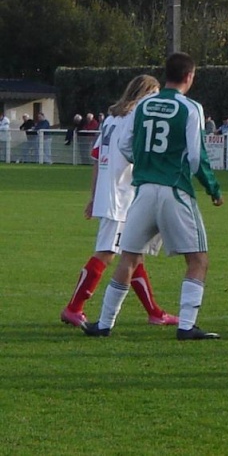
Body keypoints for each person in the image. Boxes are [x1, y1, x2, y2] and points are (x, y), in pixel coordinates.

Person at [82, 52, 224, 340]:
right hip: (175, 191)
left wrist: (146, 163)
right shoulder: (191, 108)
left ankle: (104, 324)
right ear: (189, 76)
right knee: (198, 260)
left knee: (128, 259)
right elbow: (197, 157)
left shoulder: (144, 104)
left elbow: (124, 145)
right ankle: (186, 326)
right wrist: (213, 189)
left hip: (143, 191)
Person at [61, 75, 178, 328]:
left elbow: (96, 159)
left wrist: (94, 196)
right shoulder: (136, 117)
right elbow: (135, 152)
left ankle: (155, 313)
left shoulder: (112, 118)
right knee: (107, 253)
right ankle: (74, 307)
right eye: (155, 93)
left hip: (110, 192)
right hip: (121, 195)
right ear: (146, 93)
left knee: (134, 255)